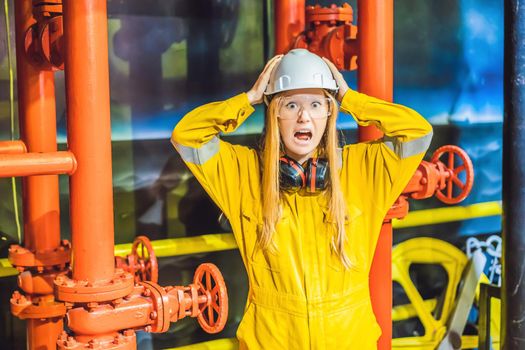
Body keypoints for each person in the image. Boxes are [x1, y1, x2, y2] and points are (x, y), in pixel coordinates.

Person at [171, 49, 433, 349]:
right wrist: (250, 99)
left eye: (316, 104)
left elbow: (417, 133)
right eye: (291, 104)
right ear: (274, 114)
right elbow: (187, 136)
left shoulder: (365, 169)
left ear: (329, 112)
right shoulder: (242, 173)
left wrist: (349, 99)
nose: (304, 116)